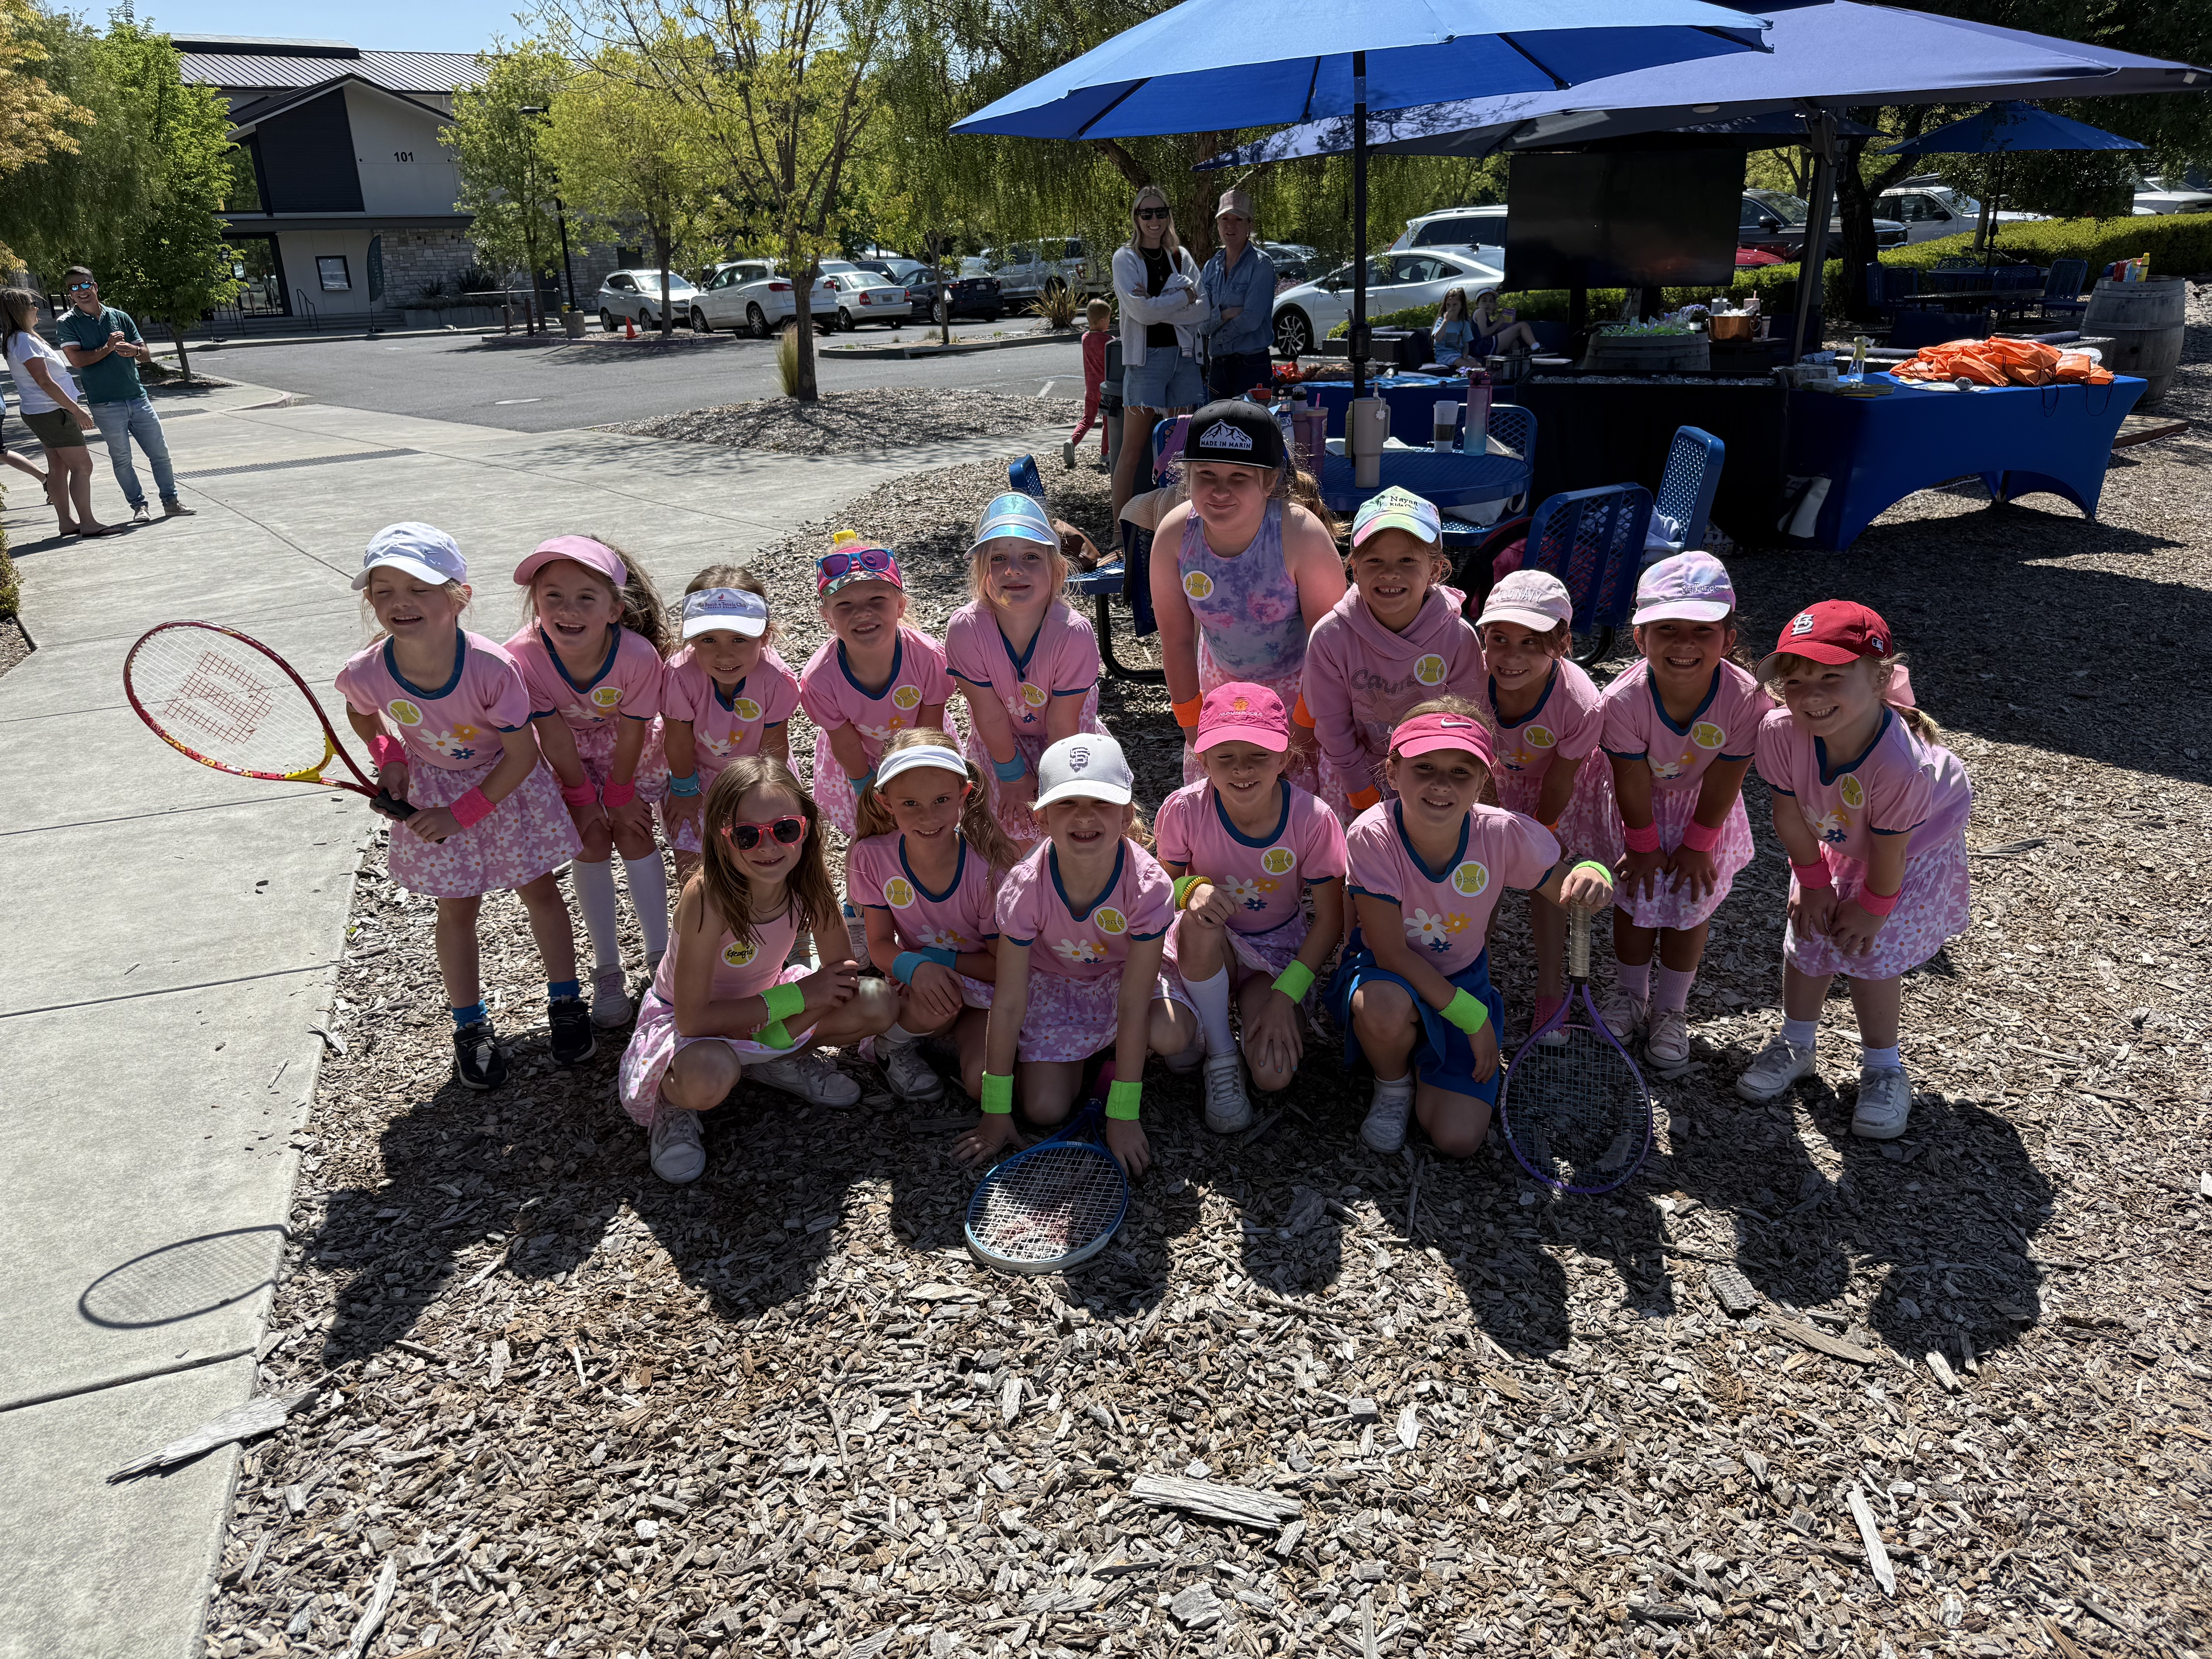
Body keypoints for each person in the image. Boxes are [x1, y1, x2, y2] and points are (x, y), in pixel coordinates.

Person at [335, 523, 589, 1091]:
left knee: (541, 893)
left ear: (459, 597)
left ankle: (567, 1001)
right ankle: (470, 1026)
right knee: (457, 911)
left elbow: (523, 755)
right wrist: (390, 756)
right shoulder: (368, 670)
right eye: (383, 591)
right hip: (434, 787)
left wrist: (462, 814)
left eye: (419, 588)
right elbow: (360, 710)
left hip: (507, 790)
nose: (400, 603)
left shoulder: (493, 668)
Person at [1331, 704, 1616, 1156]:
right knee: (1384, 1006)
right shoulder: (1372, 835)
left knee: (1458, 1140)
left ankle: (1428, 1054)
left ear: (1483, 781)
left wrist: (1592, 872)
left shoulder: (1503, 833)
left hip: (1463, 979)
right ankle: (1393, 1083)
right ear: (1393, 770)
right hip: (1388, 976)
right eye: (1424, 767)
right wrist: (1473, 1018)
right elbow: (1391, 955)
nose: (1441, 784)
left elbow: (1570, 888)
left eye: (1461, 772)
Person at [1739, 602, 1973, 1140]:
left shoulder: (1899, 764)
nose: (1810, 695)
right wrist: (1814, 882)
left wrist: (1872, 908)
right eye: (1794, 681)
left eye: (1831, 677)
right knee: (1809, 934)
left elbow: (1889, 855)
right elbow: (1788, 814)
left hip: (1910, 849)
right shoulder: (1779, 731)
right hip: (1838, 829)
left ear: (1880, 679)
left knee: (1871, 951)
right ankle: (1797, 1042)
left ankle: (1884, 1068)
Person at [616, 756, 900, 1184]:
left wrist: (800, 1006)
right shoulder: (707, 896)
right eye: (748, 836)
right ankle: (673, 1104)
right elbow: (693, 1019)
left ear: (805, 827)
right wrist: (801, 998)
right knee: (710, 1076)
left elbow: (841, 973)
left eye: (784, 830)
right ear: (721, 838)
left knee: (876, 1002)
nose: (768, 847)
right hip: (689, 1025)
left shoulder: (808, 879)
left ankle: (775, 1059)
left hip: (764, 1012)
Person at [959, 734, 1198, 1177]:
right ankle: (1102, 1057)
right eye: (1067, 803)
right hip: (1056, 985)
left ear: (1127, 814)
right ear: (1042, 817)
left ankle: (1118, 1064)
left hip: (1126, 978)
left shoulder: (1148, 886)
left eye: (1102, 803)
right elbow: (1009, 1001)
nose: (1085, 816)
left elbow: (1132, 1001)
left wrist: (1123, 1115)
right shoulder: (1023, 886)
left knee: (1170, 1035)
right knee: (1044, 1109)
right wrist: (995, 1111)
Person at [1592, 552, 1762, 1075]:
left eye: (1703, 631)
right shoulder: (1622, 701)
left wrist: (1697, 845)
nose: (1685, 644)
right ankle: (1629, 996)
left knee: (1691, 905)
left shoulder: (1746, 699)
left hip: (1704, 811)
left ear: (1728, 640)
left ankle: (1671, 1009)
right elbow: (1630, 775)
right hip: (1635, 808)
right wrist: (1641, 845)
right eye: (1667, 629)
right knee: (1635, 899)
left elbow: (1725, 777)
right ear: (1641, 639)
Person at [1156, 684, 1347, 1132]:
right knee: (1201, 923)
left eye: (1259, 755)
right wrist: (1191, 889)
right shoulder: (1183, 809)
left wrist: (1287, 996)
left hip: (1276, 951)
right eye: (1225, 757)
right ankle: (1221, 1053)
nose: (1242, 769)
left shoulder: (1314, 819)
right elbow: (1164, 884)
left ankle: (1226, 1019)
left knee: (1273, 1076)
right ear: (1202, 761)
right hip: (1207, 943)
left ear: (1285, 758)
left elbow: (1331, 919)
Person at [505, 535, 673, 1030]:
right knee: (591, 842)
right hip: (567, 759)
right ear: (536, 603)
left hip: (629, 752)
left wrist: (620, 794)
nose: (567, 609)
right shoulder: (523, 655)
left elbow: (634, 727)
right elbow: (553, 734)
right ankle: (607, 968)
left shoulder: (639, 656)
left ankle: (662, 957)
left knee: (635, 833)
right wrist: (581, 798)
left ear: (615, 609)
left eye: (585, 597)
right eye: (552, 595)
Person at [1151, 400, 1346, 796]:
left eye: (1239, 477)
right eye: (1206, 474)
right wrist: (1191, 724)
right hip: (1220, 695)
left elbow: (1330, 647)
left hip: (1301, 695)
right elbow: (1175, 641)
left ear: (1270, 481)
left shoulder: (1300, 535)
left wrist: (1305, 730)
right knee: (1228, 810)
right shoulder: (1175, 536)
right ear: (1187, 476)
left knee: (1295, 812)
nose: (1220, 490)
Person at [1474, 570, 1616, 1042]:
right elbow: (1469, 752)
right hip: (1489, 783)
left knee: (1548, 884)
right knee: (1481, 873)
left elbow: (1561, 778)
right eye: (1499, 639)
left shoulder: (1579, 702)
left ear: (1562, 643)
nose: (1511, 657)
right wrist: (1493, 819)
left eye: (1531, 643)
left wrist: (1539, 833)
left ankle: (1550, 991)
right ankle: (1473, 975)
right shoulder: (1471, 677)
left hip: (1553, 796)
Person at [797, 532, 953, 958]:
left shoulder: (929, 657)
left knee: (927, 823)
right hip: (857, 762)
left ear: (900, 607)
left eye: (877, 601)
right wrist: (869, 790)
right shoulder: (820, 678)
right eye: (845, 605)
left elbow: (929, 730)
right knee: (866, 835)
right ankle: (862, 905)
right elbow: (844, 741)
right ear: (828, 617)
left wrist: (914, 781)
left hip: (920, 752)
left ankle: (926, 896)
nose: (862, 614)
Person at [848, 730, 1023, 1106]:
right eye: (910, 803)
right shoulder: (870, 857)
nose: (927, 817)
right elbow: (879, 945)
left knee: (984, 1086)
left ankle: (939, 1045)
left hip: (983, 995)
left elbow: (1001, 969)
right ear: (885, 802)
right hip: (922, 987)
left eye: (942, 800)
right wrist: (915, 966)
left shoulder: (989, 874)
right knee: (936, 1002)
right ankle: (891, 1047)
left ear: (965, 794)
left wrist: (935, 960)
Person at [1303, 486, 1485, 821]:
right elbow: (1332, 728)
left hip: (1436, 778)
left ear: (1435, 570)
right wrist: (1362, 792)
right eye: (1375, 560)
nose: (1390, 573)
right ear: (1355, 570)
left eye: (1407, 560)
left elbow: (1467, 724)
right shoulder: (1330, 637)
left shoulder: (1458, 638)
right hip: (1354, 775)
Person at [945, 492, 1107, 849]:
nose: (1013, 569)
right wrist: (1013, 775)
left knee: (1073, 832)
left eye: (1031, 557)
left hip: (1066, 741)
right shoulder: (966, 629)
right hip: (1001, 744)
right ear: (982, 573)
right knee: (1005, 838)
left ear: (1058, 571)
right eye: (998, 558)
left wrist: (1054, 785)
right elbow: (987, 713)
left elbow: (1063, 724)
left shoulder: (1072, 633)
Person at [649, 567, 799, 884]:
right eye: (708, 640)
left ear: (766, 636)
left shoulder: (777, 680)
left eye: (739, 639)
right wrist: (685, 791)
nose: (724, 653)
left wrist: (763, 794)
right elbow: (677, 742)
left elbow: (774, 747)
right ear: (691, 639)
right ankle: (700, 924)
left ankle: (784, 924)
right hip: (693, 774)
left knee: (771, 852)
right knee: (692, 856)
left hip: (760, 771)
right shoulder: (679, 676)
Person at [52, 266, 192, 523]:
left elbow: (146, 353)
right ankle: (139, 506)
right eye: (74, 288)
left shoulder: (119, 316)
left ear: (95, 287)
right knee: (122, 459)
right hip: (105, 403)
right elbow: (77, 361)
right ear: (69, 294)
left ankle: (171, 502)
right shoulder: (67, 324)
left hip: (138, 398)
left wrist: (135, 352)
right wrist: (108, 348)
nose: (81, 292)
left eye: (85, 285)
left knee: (160, 454)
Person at [1110, 186, 1207, 534]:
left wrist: (1157, 306)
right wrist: (1183, 295)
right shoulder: (1125, 259)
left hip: (1183, 359)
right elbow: (1140, 314)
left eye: (1160, 212)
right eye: (1146, 213)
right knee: (1132, 451)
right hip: (1145, 360)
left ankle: (1181, 527)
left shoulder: (1180, 257)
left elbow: (1204, 310)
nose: (1154, 220)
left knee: (1184, 450)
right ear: (1136, 218)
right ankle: (1123, 536)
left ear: (1168, 216)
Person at [2, 287, 108, 538]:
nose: (36, 308)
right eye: (31, 304)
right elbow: (45, 381)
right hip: (52, 412)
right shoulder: (24, 341)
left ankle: (67, 523)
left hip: (41, 412)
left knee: (58, 467)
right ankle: (89, 523)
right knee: (83, 467)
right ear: (19, 311)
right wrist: (77, 410)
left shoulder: (19, 339)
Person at [1199, 186, 1278, 402]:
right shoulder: (1211, 267)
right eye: (1225, 219)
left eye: (1238, 219)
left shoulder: (1261, 265)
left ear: (1250, 225)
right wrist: (1225, 314)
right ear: (1217, 224)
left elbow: (1252, 320)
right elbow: (1200, 322)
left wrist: (1219, 335)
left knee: (1250, 431)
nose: (1230, 225)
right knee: (1215, 430)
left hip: (1252, 363)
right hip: (1218, 365)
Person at [1065, 297, 1114, 469]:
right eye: (1109, 319)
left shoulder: (1085, 338)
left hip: (1091, 389)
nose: (1109, 322)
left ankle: (1072, 441)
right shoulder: (1109, 341)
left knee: (1088, 420)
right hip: (1106, 390)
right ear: (1102, 321)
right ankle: (1105, 453)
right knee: (1108, 421)